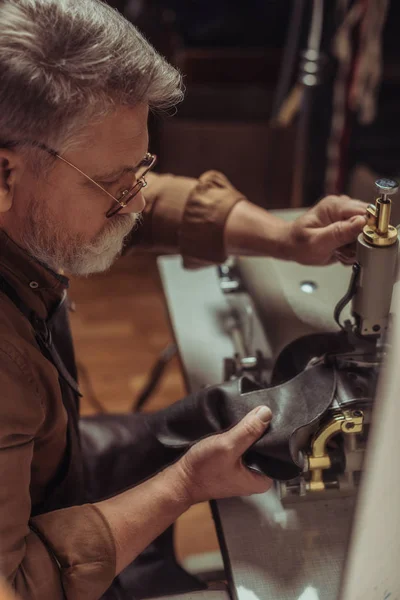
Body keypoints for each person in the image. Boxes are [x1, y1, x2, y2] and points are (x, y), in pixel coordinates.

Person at [0, 1, 368, 599]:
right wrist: (181, 488)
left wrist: (285, 237)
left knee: (207, 415)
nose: (136, 203)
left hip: (52, 464)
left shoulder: (30, 192)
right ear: (6, 175)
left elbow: (129, 200)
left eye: (135, 176)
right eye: (116, 189)